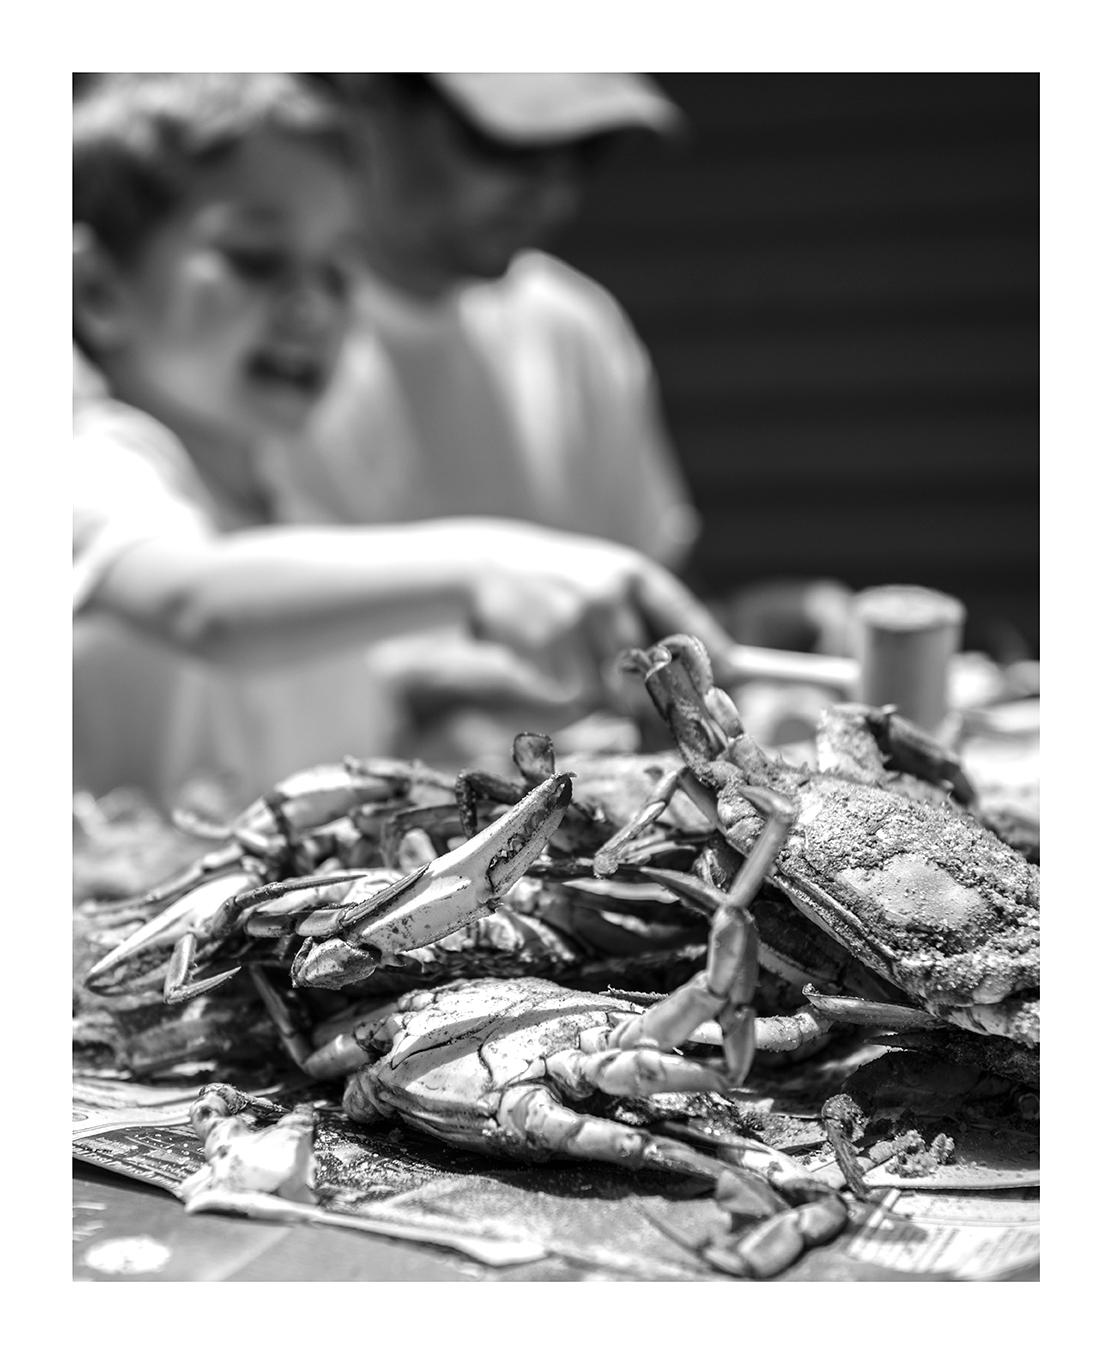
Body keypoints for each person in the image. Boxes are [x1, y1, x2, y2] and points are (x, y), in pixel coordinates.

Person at [72, 73, 734, 808]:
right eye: (257, 258)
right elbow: (203, 605)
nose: (310, 307)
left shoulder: (281, 507)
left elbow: (277, 693)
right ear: (95, 292)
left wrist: (444, 689)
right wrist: (489, 564)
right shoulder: (91, 465)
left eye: (336, 270)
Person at [264, 74, 706, 756]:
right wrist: (433, 677)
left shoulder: (574, 327)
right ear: (371, 101)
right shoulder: (264, 347)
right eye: (509, 145)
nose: (553, 189)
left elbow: (654, 602)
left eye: (587, 151)